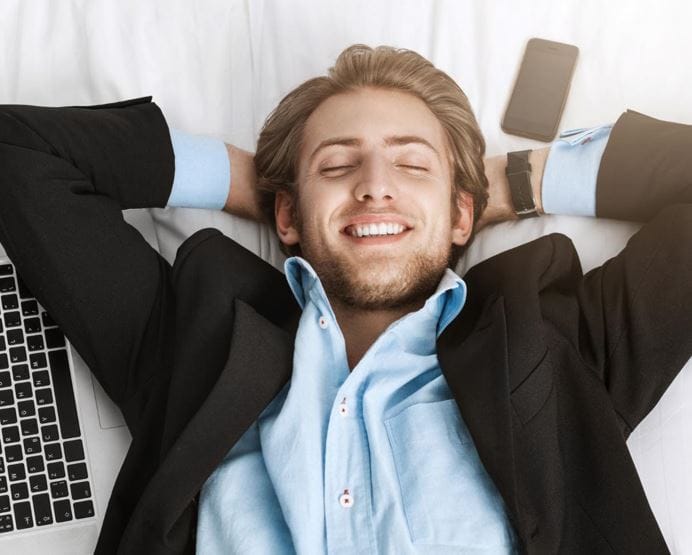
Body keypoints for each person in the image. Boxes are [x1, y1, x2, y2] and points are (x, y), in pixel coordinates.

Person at [0, 44, 689, 554]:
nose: (375, 184)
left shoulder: (554, 343)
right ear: (287, 215)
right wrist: (247, 184)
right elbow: (18, 153)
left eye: (412, 163)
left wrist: (517, 183)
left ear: (462, 214)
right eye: (336, 165)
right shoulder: (195, 339)